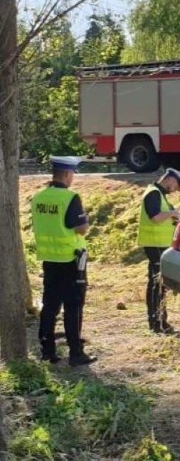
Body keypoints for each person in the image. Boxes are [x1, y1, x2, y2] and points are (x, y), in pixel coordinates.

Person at [33, 156, 96, 366]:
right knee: (74, 306)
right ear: (68, 174)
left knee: (50, 305)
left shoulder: (39, 197)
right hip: (70, 259)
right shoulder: (70, 197)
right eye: (73, 175)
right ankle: (76, 353)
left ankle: (47, 351)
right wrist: (85, 221)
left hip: (49, 259)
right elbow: (80, 228)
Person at [137, 168, 180, 333]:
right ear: (170, 179)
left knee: (160, 285)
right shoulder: (153, 194)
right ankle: (156, 323)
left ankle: (161, 321)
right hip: (155, 245)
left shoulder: (160, 196)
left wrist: (178, 217)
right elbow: (156, 217)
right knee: (156, 285)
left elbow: (167, 217)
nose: (175, 190)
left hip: (160, 245)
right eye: (176, 186)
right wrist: (172, 213)